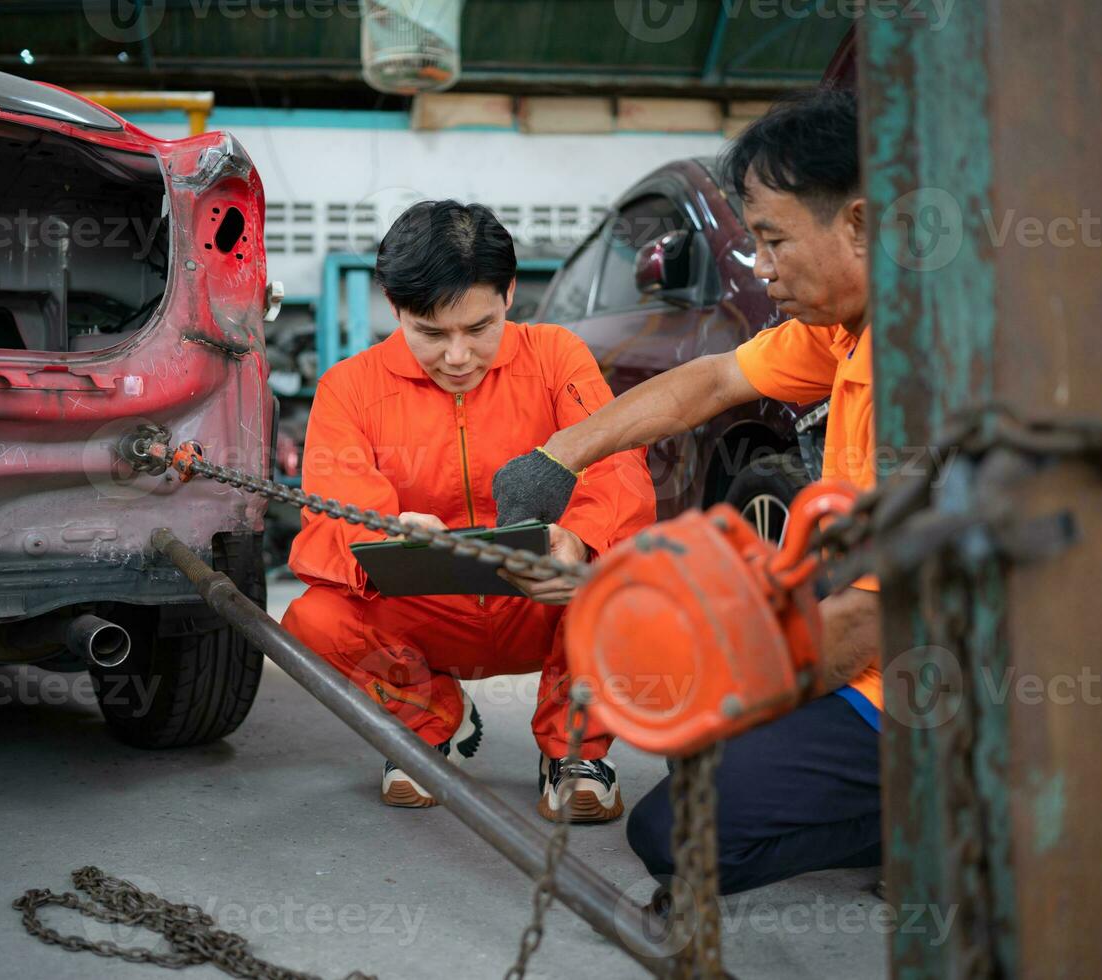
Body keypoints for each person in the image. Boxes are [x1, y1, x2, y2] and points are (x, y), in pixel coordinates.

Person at [491, 89, 883, 891]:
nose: (762, 269)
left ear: (859, 223)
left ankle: (950, 813)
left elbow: (879, 618)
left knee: (675, 836)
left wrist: (714, 672)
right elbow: (709, 381)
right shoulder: (845, 328)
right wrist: (557, 458)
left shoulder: (914, 375)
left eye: (772, 241)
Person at [280, 200, 656, 822]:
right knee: (314, 619)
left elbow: (617, 471)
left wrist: (581, 544)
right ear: (395, 308)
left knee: (627, 574)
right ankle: (429, 722)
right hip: (425, 613)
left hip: (545, 600)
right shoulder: (349, 388)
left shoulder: (558, 356)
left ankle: (575, 752)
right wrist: (388, 531)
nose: (458, 357)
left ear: (510, 293)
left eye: (479, 328)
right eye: (431, 333)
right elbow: (335, 507)